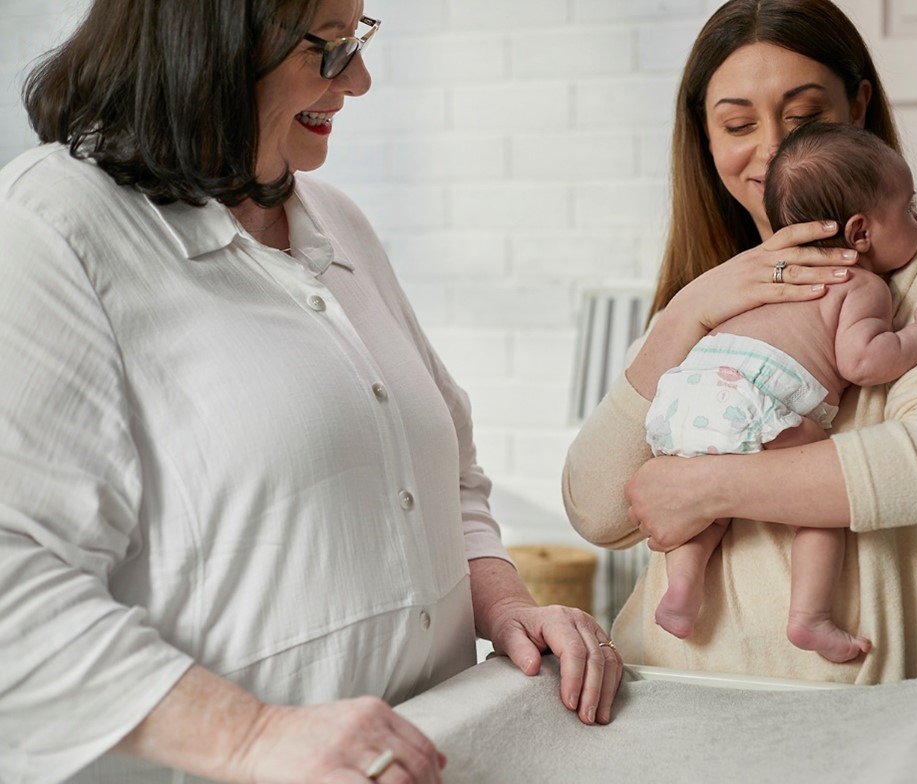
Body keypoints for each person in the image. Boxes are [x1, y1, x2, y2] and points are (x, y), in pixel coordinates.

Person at [0, 2, 621, 783]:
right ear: (204, 44)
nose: (359, 80)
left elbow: (445, 473)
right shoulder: (53, 227)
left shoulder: (338, 222)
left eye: (358, 37)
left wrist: (504, 602)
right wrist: (248, 738)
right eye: (327, 49)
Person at [563, 0, 917, 685]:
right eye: (737, 123)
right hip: (682, 690)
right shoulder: (702, 307)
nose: (775, 147)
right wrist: (685, 312)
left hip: (891, 708)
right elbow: (597, 511)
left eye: (805, 116)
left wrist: (706, 488)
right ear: (706, 138)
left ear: (859, 105)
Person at [647, 121, 917, 657]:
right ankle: (810, 618)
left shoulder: (769, 274)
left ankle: (682, 586)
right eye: (909, 209)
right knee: (817, 495)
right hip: (751, 396)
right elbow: (864, 360)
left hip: (688, 393)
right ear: (860, 233)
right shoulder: (862, 283)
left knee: (705, 501)